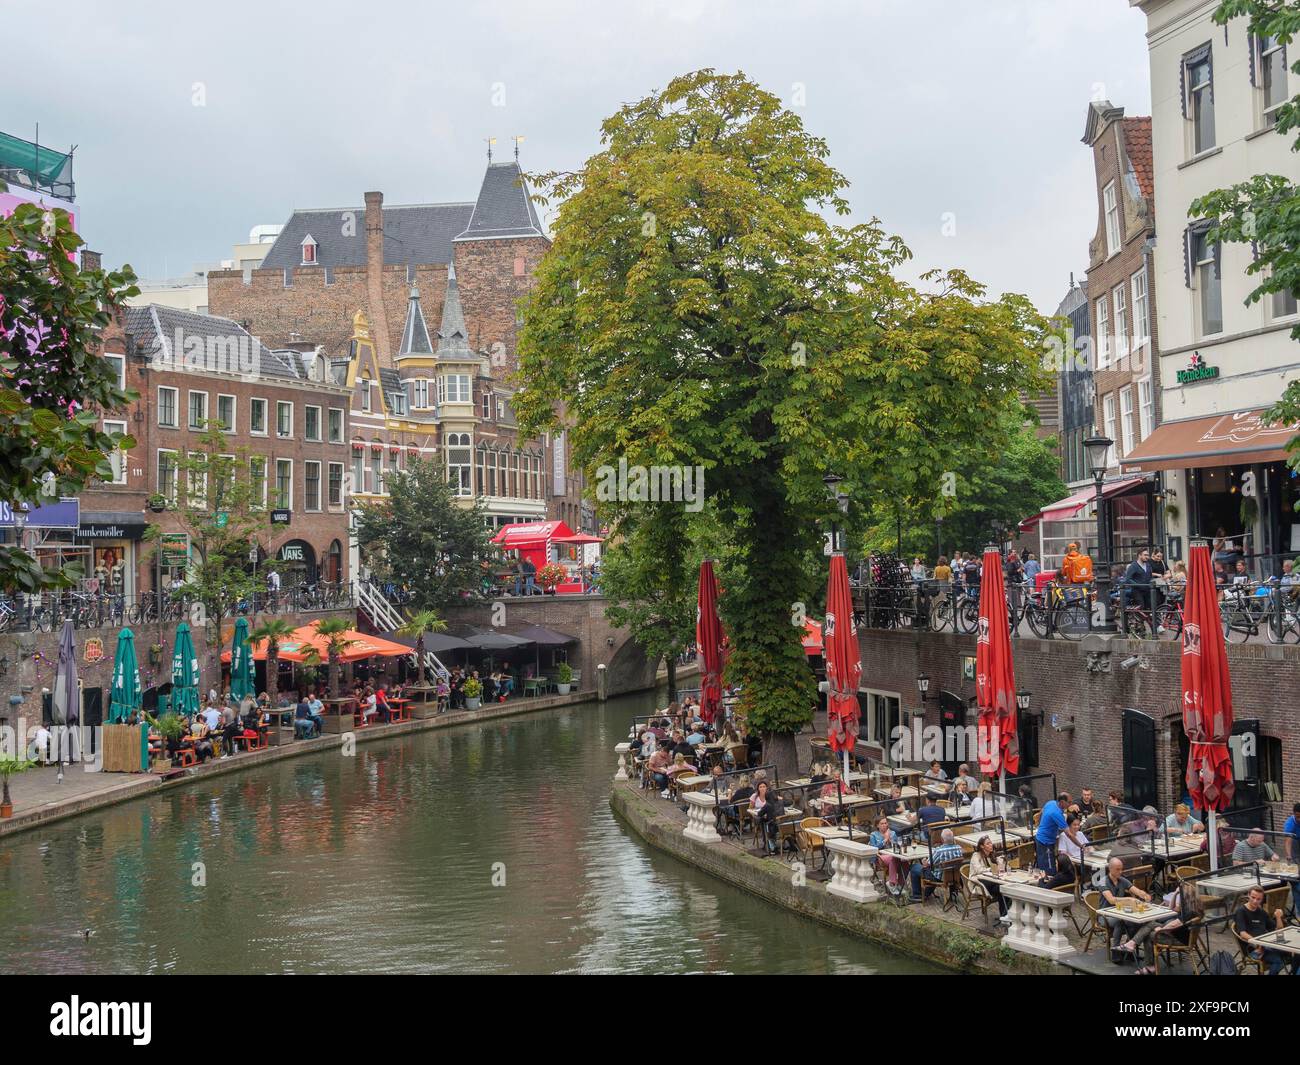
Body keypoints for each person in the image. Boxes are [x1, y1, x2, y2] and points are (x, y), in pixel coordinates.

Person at [1100, 856, 1152, 961]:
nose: (1120, 871)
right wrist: (1129, 899)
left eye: (1121, 869)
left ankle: (1128, 948)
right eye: (1117, 869)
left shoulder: (1122, 880)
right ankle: (1115, 951)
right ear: (1110, 869)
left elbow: (1136, 891)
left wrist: (1145, 895)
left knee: (1136, 923)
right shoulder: (1103, 881)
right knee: (1121, 921)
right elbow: (1111, 900)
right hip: (1105, 915)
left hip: (1120, 912)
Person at [1234, 886, 1294, 976]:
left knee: (1295, 954)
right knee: (1278, 961)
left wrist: (1278, 917)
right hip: (1253, 949)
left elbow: (1278, 930)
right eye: (1253, 897)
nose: (1255, 901)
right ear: (1248, 895)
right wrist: (1258, 943)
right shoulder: (1241, 911)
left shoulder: (1261, 912)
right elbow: (1243, 934)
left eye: (1258, 899)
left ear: (1262, 899)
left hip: (1266, 945)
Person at [909, 828, 963, 903]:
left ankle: (918, 895)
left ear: (942, 839)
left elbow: (926, 865)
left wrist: (924, 861)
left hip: (939, 877)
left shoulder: (938, 851)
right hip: (954, 877)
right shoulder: (959, 848)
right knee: (929, 869)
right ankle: (928, 892)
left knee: (914, 867)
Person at [1033, 793, 1078, 875]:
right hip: (1045, 842)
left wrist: (1039, 825)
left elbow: (1041, 812)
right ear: (1062, 802)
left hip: (1040, 839)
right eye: (1069, 802)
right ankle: (1047, 884)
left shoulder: (1051, 803)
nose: (1070, 804)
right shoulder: (1057, 814)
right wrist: (1080, 845)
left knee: (1044, 865)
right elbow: (1069, 834)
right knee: (1049, 870)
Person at [968, 835, 1011, 917]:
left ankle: (1005, 915)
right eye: (988, 844)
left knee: (1003, 889)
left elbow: (999, 868)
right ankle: (1005, 915)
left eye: (991, 843)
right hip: (978, 883)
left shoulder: (990, 856)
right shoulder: (976, 855)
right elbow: (978, 870)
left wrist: (1001, 861)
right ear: (981, 846)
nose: (991, 845)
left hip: (990, 882)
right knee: (1002, 889)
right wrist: (991, 869)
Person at [869, 817, 906, 896]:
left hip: (893, 855)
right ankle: (892, 883)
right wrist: (885, 840)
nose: (884, 825)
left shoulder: (892, 833)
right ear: (877, 825)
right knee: (894, 858)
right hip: (881, 857)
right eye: (882, 824)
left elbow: (897, 846)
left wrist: (891, 840)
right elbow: (873, 849)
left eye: (885, 823)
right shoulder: (873, 835)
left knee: (905, 861)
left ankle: (900, 885)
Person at [1122, 548, 1153, 612]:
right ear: (1139, 555)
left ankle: (1147, 621)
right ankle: (1140, 621)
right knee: (1141, 607)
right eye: (1145, 555)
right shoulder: (1133, 566)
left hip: (1147, 590)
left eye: (1147, 555)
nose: (1147, 557)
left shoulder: (1148, 565)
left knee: (1149, 607)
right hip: (1137, 591)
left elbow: (1150, 576)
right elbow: (1128, 579)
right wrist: (1138, 585)